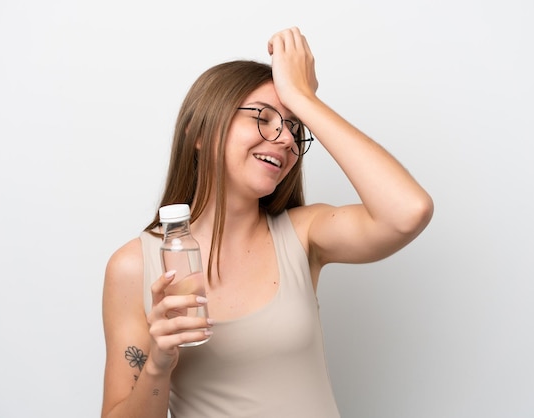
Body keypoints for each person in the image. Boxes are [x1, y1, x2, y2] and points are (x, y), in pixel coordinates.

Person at [101, 27, 433, 418]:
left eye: (294, 126)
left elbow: (408, 211)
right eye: (264, 117)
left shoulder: (303, 235)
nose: (286, 139)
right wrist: (157, 364)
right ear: (199, 133)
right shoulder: (135, 266)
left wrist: (305, 98)